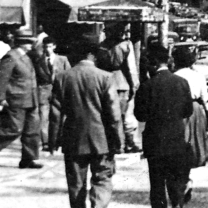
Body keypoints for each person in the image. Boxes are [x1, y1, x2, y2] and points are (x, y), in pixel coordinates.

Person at [51, 38, 124, 208]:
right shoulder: (105, 77)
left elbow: (55, 114)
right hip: (102, 139)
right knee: (102, 179)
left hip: (73, 138)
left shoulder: (62, 78)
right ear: (92, 54)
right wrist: (118, 141)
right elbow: (114, 115)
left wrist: (52, 141)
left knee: (76, 182)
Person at [133, 42, 193, 208]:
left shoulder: (146, 86)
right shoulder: (181, 82)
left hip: (155, 142)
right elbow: (188, 111)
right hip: (176, 140)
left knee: (157, 185)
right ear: (168, 61)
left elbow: (140, 116)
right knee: (175, 182)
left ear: (152, 63)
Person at [0, 27, 42, 168]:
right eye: (28, 42)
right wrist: (1, 98)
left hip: (31, 99)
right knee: (12, 130)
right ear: (20, 43)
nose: (31, 44)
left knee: (32, 130)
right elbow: (2, 78)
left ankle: (29, 158)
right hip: (16, 99)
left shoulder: (27, 56)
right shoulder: (11, 56)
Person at [96, 23, 141, 153]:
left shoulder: (102, 46)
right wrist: (134, 84)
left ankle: (113, 143)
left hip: (105, 81)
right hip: (122, 81)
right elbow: (131, 68)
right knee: (125, 115)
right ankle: (126, 143)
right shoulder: (126, 45)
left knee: (108, 114)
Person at [173, 45, 208, 188]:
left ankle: (181, 179)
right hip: (195, 110)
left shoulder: (175, 76)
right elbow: (206, 100)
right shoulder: (198, 76)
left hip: (178, 110)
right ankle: (185, 178)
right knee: (192, 145)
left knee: (179, 144)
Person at [34, 34, 71, 153]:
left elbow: (69, 75)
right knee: (43, 118)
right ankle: (45, 143)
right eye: (45, 47)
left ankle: (55, 142)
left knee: (57, 117)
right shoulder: (38, 61)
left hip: (58, 93)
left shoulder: (62, 60)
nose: (47, 49)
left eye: (49, 46)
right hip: (43, 92)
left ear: (54, 47)